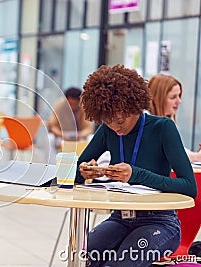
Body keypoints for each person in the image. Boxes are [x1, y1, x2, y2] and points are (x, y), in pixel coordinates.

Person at [76, 64, 197, 266]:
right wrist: (84, 171)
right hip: (119, 218)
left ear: (135, 108)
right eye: (108, 121)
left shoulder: (163, 128)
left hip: (160, 222)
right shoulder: (108, 131)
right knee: (83, 258)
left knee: (121, 263)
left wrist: (136, 174)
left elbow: (189, 187)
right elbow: (77, 173)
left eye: (120, 121)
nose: (115, 127)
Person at [148, 73, 201, 162]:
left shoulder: (168, 121)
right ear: (157, 99)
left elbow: (179, 149)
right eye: (173, 97)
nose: (179, 101)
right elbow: (172, 154)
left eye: (179, 96)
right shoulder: (148, 123)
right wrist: (196, 157)